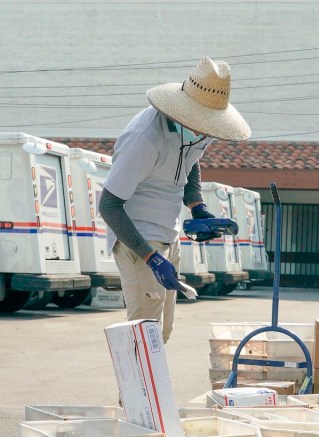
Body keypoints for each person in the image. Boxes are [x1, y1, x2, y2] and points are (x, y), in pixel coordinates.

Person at [99, 57, 250, 343]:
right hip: (138, 238)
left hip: (169, 234)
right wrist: (151, 257)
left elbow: (191, 161)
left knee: (162, 332)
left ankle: (151, 388)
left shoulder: (198, 130)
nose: (205, 133)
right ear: (181, 112)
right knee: (144, 335)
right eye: (201, 124)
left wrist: (197, 206)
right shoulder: (144, 139)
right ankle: (137, 389)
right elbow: (109, 206)